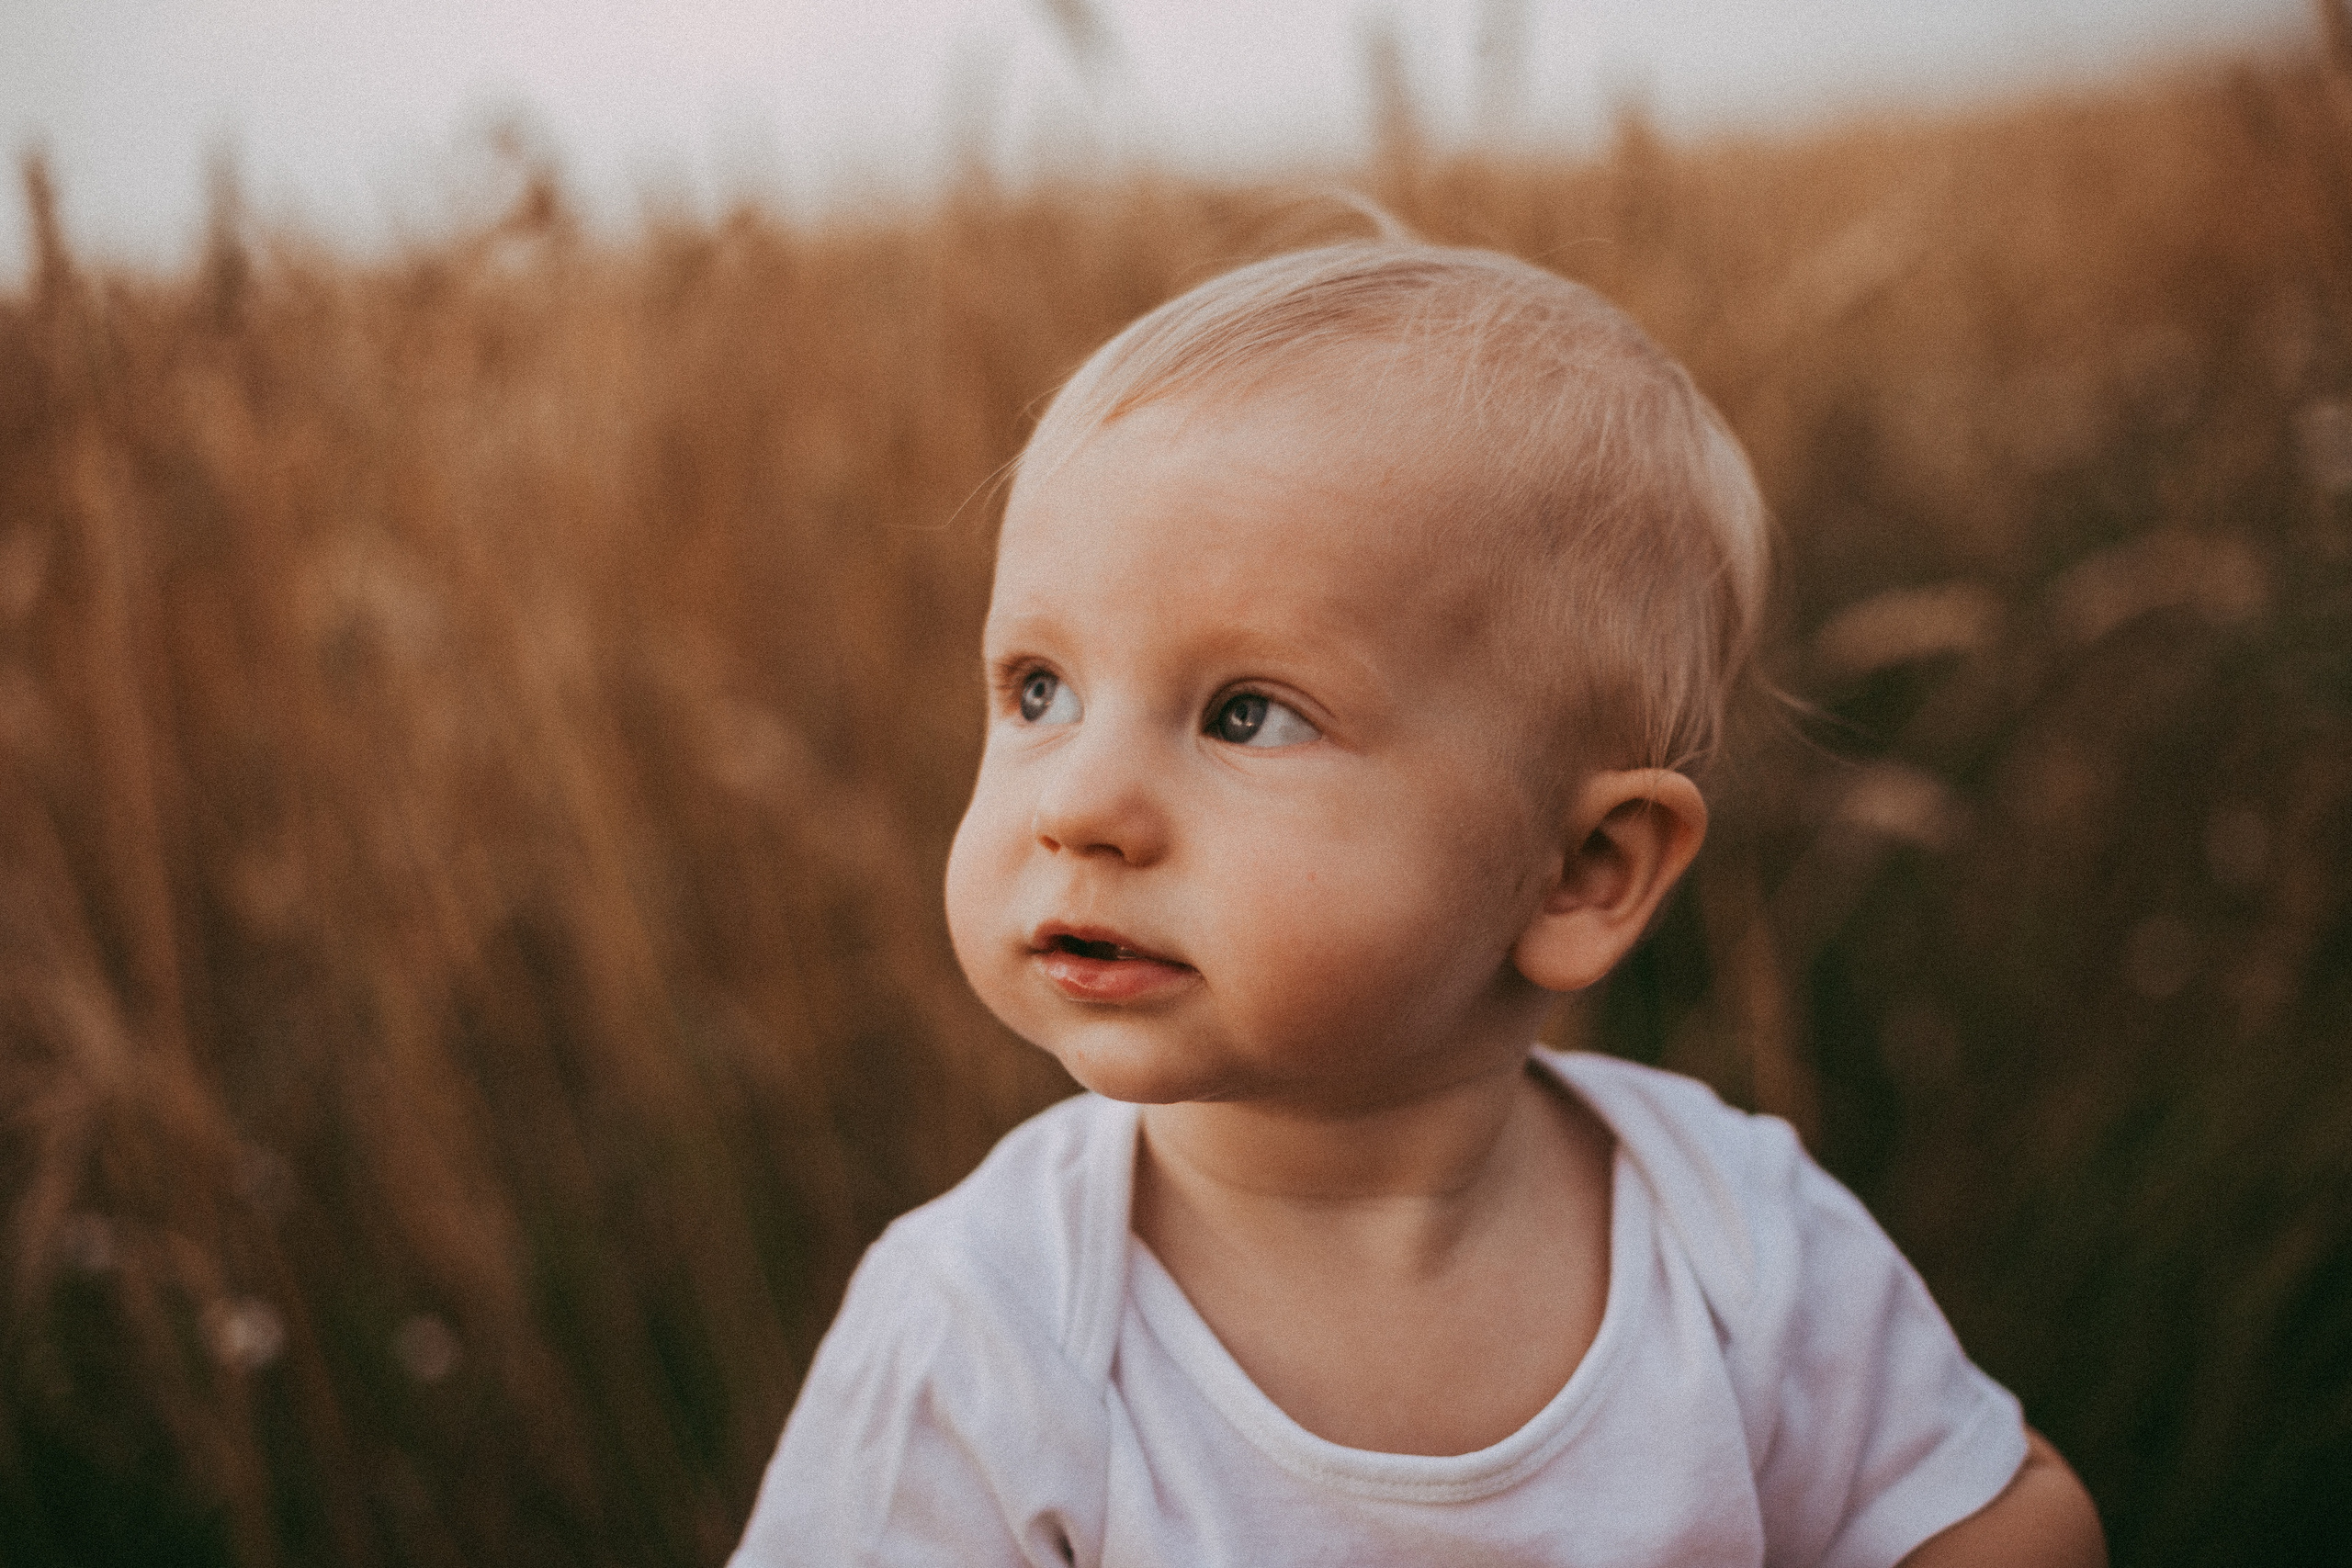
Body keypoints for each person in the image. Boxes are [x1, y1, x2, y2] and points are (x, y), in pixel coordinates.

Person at [730, 238, 2107, 1566]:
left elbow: (2005, 1511)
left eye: (1248, 714)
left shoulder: (1740, 1246)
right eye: (1040, 689)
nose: (1077, 804)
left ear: (1584, 874)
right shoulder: (990, 1328)